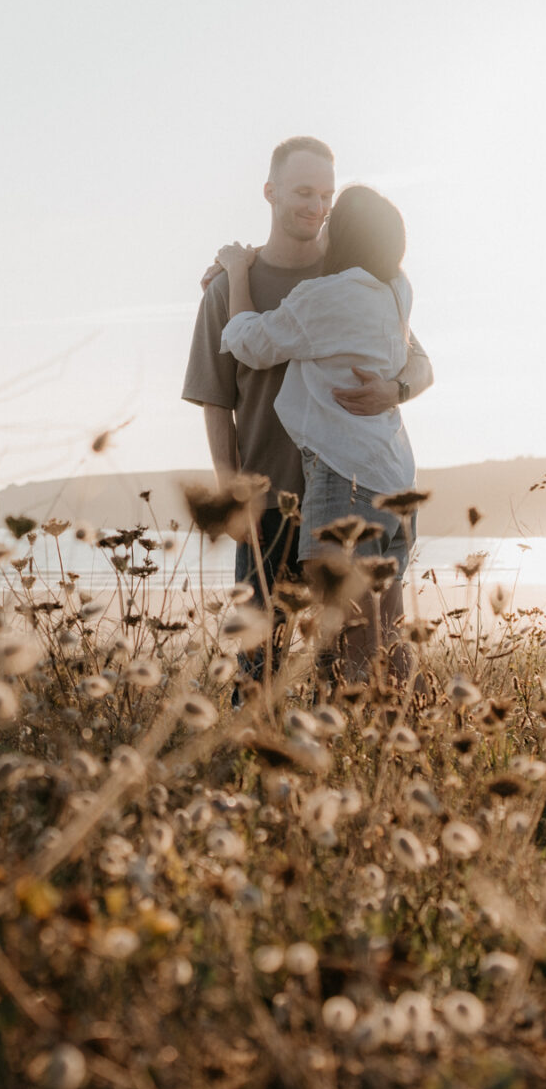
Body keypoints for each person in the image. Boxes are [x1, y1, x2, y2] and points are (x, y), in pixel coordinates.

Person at [181, 137, 431, 625]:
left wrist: (394, 390)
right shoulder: (228, 289)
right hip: (267, 504)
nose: (317, 207)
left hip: (348, 490)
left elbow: (419, 362)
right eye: (303, 193)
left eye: (326, 196)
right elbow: (216, 399)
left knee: (350, 665)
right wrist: (231, 492)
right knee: (259, 670)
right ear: (271, 192)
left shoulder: (353, 279)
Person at [214, 183, 418, 686]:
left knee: (343, 632)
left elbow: (249, 343)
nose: (319, 219)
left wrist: (237, 274)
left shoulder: (324, 298)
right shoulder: (397, 291)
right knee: (388, 631)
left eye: (330, 216)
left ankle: (345, 747)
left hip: (343, 481)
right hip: (395, 478)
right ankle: (402, 735)